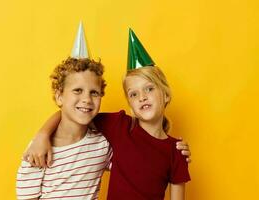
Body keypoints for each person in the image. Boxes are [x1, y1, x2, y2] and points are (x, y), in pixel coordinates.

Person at [24, 28, 191, 199]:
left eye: (149, 89)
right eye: (134, 94)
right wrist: (42, 134)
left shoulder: (176, 151)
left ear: (166, 94)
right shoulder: (120, 126)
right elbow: (72, 114)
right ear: (130, 104)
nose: (142, 97)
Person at [16, 23, 112, 200]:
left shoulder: (102, 145)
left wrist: (175, 151)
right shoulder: (39, 150)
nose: (86, 99)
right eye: (77, 90)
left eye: (94, 92)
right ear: (59, 96)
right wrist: (43, 135)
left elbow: (136, 162)